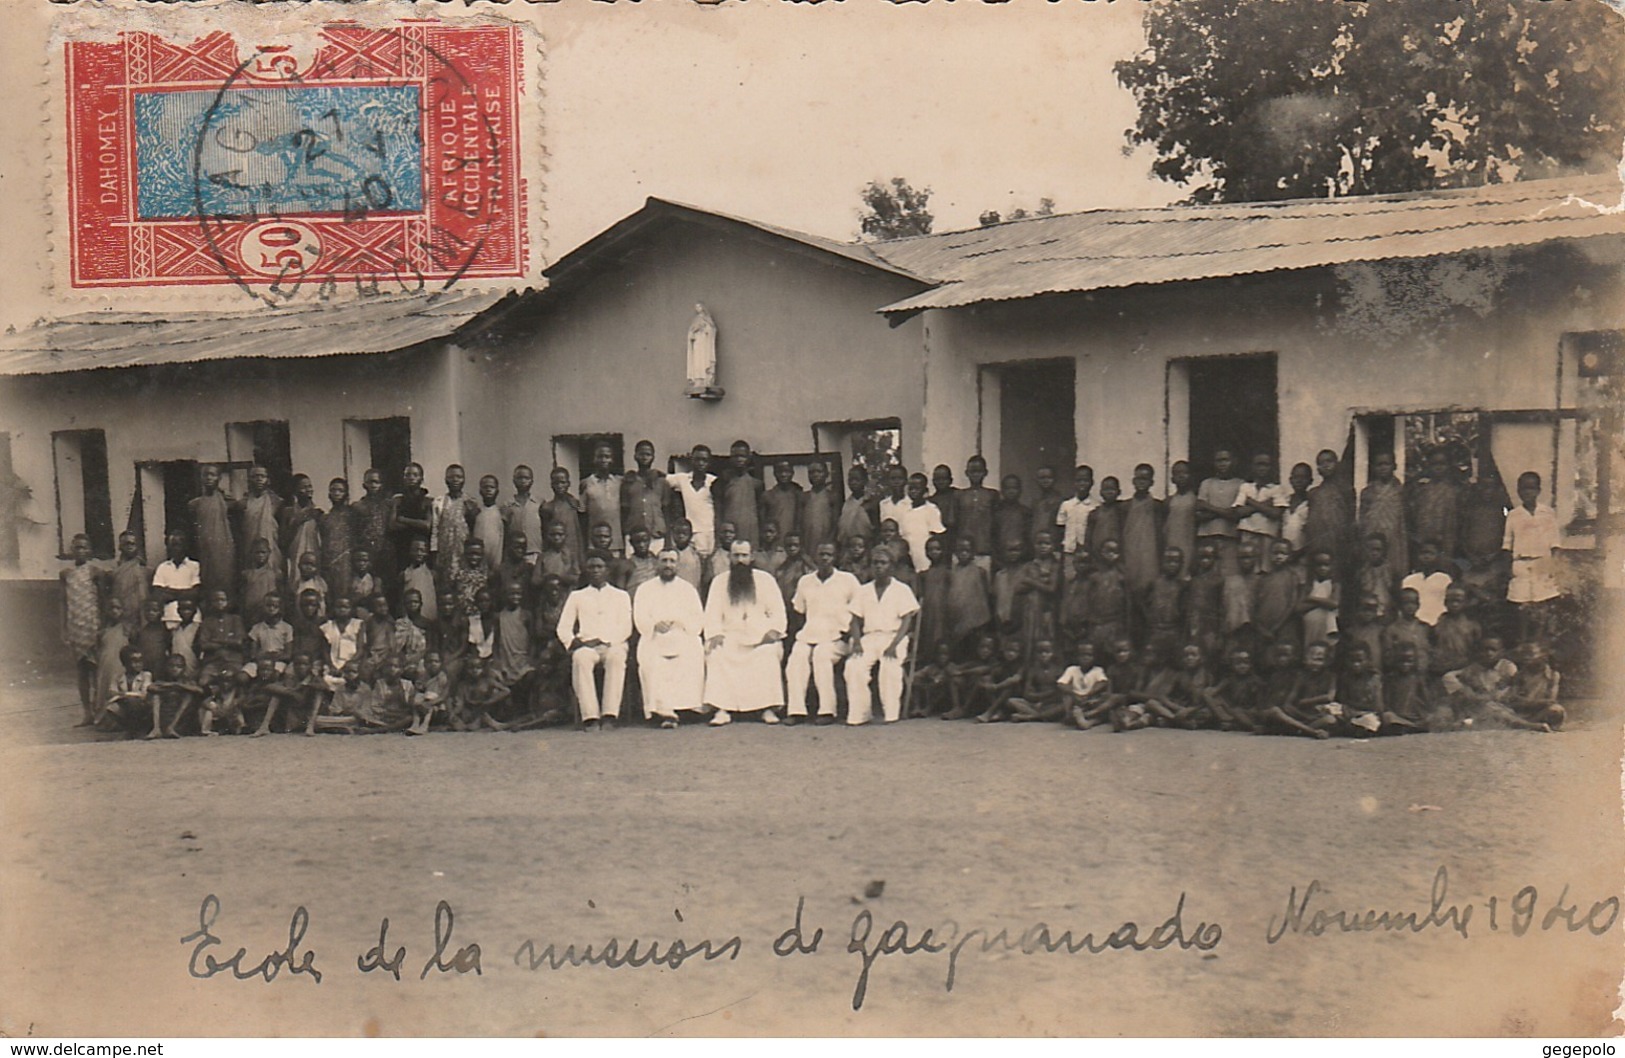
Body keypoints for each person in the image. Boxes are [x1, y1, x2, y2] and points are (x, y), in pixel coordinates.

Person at [703, 540, 788, 725]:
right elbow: (711, 614)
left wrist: (774, 631)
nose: (740, 560)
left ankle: (767, 707)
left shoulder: (765, 580)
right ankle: (722, 708)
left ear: (752, 557)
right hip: (730, 637)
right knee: (717, 652)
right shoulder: (719, 582)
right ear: (729, 557)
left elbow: (778, 612)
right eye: (736, 555)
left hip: (760, 638)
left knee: (768, 653)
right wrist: (715, 633)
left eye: (744, 555)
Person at [556, 551, 633, 730]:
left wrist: (608, 641)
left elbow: (626, 627)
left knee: (616, 658)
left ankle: (609, 714)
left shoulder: (621, 596)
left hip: (613, 644)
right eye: (591, 567)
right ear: (586, 570)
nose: (595, 570)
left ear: (607, 570)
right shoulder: (577, 596)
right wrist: (578, 643)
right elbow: (563, 628)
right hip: (587, 645)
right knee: (580, 658)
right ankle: (590, 716)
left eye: (599, 567)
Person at [843, 548, 920, 725]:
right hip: (869, 638)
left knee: (889, 666)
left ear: (891, 567)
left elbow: (907, 620)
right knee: (853, 666)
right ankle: (860, 713)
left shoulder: (901, 589)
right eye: (875, 563)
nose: (879, 566)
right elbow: (855, 620)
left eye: (883, 563)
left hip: (894, 636)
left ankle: (891, 713)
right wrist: (856, 642)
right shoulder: (863, 590)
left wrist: (894, 644)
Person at [786, 541, 859, 725]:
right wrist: (805, 631)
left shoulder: (847, 580)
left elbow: (859, 611)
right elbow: (799, 612)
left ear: (835, 557)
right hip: (810, 635)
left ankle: (827, 711)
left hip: (838, 637)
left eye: (829, 555)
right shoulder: (806, 581)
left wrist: (849, 634)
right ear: (815, 556)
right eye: (821, 554)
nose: (825, 558)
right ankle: (796, 711)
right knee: (796, 658)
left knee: (821, 656)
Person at [633, 549, 707, 728]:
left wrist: (681, 623)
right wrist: (654, 625)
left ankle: (687, 707)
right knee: (654, 660)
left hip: (682, 635)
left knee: (694, 650)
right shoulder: (645, 588)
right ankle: (664, 710)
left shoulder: (687, 589)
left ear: (677, 565)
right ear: (657, 563)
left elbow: (697, 618)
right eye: (664, 561)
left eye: (672, 561)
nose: (668, 565)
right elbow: (639, 616)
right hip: (655, 636)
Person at [1503, 470, 1561, 646]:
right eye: (1523, 489)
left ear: (1538, 490)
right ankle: (1523, 640)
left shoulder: (1547, 513)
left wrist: (1553, 566)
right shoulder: (1513, 515)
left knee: (1541, 603)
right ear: (1518, 491)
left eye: (1531, 488)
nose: (1527, 492)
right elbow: (1507, 543)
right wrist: (1509, 567)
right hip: (1521, 563)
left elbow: (1555, 542)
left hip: (1542, 562)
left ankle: (1539, 641)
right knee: (1522, 604)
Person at [60, 533, 103, 725]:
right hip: (76, 626)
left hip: (93, 624)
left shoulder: (95, 572)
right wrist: (64, 628)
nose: (81, 551)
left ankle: (98, 709)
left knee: (97, 669)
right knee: (82, 671)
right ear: (72, 551)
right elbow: (63, 602)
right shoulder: (66, 574)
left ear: (90, 551)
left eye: (85, 547)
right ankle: (87, 712)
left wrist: (102, 625)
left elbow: (102, 599)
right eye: (77, 547)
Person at [1358, 452, 1409, 590]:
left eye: (1386, 464)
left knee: (1392, 580)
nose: (1383, 468)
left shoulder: (1401, 491)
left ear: (1394, 466)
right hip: (1371, 540)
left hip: (1394, 541)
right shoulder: (1367, 492)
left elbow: (1404, 521)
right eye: (1379, 464)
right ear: (1373, 467)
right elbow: (1362, 520)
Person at [1305, 448, 1357, 580]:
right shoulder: (1314, 493)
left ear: (1337, 464)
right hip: (1317, 540)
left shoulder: (1345, 489)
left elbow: (1351, 517)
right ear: (1317, 468)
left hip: (1338, 541)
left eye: (1329, 461)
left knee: (1336, 576)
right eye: (1321, 463)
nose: (1325, 465)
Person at [189, 464, 237, 603]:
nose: (209, 478)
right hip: (204, 552)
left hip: (224, 552)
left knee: (226, 584)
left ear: (219, 478)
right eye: (205, 475)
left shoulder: (228, 502)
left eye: (213, 475)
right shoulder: (195, 504)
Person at [1234, 453, 1288, 572]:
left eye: (1266, 465)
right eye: (1259, 464)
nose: (1262, 468)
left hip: (1267, 535)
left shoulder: (1276, 489)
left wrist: (1251, 502)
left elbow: (1276, 514)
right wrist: (1265, 505)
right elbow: (1238, 512)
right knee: (1248, 568)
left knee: (1265, 569)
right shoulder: (1245, 487)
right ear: (1252, 467)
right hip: (1247, 533)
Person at [1407, 448, 1463, 561]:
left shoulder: (1456, 490)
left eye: (1442, 464)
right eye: (1434, 464)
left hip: (1447, 541)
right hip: (1423, 540)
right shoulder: (1421, 490)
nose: (1438, 467)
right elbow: (1413, 515)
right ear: (1428, 465)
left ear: (1448, 465)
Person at [1195, 450, 1245, 576]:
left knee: (1229, 575)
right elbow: (1199, 514)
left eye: (1226, 460)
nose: (1222, 464)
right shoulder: (1206, 483)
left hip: (1231, 538)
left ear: (1234, 462)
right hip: (1207, 537)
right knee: (1208, 575)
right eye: (1219, 460)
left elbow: (1236, 515)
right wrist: (1225, 512)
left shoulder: (1241, 484)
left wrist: (1210, 508)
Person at [430, 464, 477, 598]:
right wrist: (434, 554)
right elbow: (435, 529)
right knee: (446, 590)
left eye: (459, 477)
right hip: (445, 553)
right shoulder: (439, 502)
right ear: (446, 480)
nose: (455, 480)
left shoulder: (470, 502)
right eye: (451, 477)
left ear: (464, 480)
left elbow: (474, 530)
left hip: (464, 552)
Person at [1120, 465, 1165, 596]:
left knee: (1149, 592)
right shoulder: (1125, 506)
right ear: (1133, 481)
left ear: (1151, 482)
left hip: (1150, 556)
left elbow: (1161, 534)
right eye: (1138, 478)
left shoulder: (1157, 506)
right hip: (1130, 554)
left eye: (1145, 479)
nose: (1141, 482)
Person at [235, 466, 284, 584]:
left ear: (268, 480)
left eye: (262, 476)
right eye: (255, 476)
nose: (259, 479)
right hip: (249, 549)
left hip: (271, 549)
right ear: (249, 480)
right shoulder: (243, 504)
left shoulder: (276, 502)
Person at [944, 535, 992, 654]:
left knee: (974, 650)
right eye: (960, 551)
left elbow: (986, 595)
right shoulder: (951, 572)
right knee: (958, 651)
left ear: (973, 552)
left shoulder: (980, 572)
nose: (964, 554)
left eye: (967, 551)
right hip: (957, 620)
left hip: (976, 621)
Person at [1141, 547, 1188, 668]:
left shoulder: (1183, 586)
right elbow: (1142, 604)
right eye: (1168, 560)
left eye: (1176, 561)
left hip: (1174, 633)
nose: (1172, 564)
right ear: (1162, 562)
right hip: (1155, 632)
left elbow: (1185, 612)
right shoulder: (1154, 584)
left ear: (1181, 564)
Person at [354, 469, 397, 597]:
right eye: (370, 482)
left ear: (381, 485)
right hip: (367, 556)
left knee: (387, 591)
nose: (373, 485)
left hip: (386, 555)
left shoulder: (388, 505)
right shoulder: (358, 507)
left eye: (377, 482)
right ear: (364, 484)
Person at [1252, 539, 1301, 649]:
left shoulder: (1292, 577)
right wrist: (1261, 628)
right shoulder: (1263, 579)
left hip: (1283, 626)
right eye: (1275, 553)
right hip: (1263, 628)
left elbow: (1292, 604)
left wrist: (1276, 627)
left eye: (1283, 553)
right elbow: (1255, 605)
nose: (1279, 556)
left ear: (1290, 556)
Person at [622, 440, 670, 554]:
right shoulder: (628, 482)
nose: (644, 457)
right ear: (635, 456)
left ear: (653, 457)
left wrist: (668, 539)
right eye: (641, 454)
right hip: (634, 537)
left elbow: (666, 510)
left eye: (648, 454)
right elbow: (624, 511)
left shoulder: (662, 482)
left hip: (656, 536)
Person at [894, 472, 947, 575]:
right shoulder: (902, 508)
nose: (913, 491)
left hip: (924, 557)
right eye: (911, 488)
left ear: (925, 490)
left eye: (917, 488)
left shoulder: (931, 510)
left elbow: (937, 537)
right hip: (906, 558)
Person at [671, 445, 719, 557]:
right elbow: (660, 478)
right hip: (689, 534)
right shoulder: (682, 479)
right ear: (691, 460)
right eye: (697, 459)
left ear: (709, 463)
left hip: (709, 534)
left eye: (704, 460)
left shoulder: (714, 481)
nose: (701, 463)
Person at [717, 440, 767, 549]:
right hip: (730, 533)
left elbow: (761, 512)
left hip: (751, 533)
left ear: (748, 457)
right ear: (730, 458)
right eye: (735, 456)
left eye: (742, 456)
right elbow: (719, 510)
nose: (739, 459)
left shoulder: (757, 484)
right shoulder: (724, 482)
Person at [952, 456, 999, 570]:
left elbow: (996, 524)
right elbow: (954, 523)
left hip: (984, 551)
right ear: (967, 473)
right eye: (972, 471)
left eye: (979, 471)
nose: (975, 475)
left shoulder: (992, 495)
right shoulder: (959, 495)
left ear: (985, 473)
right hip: (962, 552)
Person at [1084, 538, 1130, 655]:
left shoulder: (1122, 576)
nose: (1111, 555)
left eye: (1115, 552)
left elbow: (1127, 604)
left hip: (1115, 624)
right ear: (1100, 552)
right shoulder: (1093, 577)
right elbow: (1087, 602)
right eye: (1107, 551)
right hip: (1096, 625)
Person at [281, 474, 324, 595]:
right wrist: (296, 522)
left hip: (313, 554)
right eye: (304, 487)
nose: (308, 490)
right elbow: (283, 541)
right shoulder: (288, 512)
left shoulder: (317, 513)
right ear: (295, 491)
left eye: (310, 486)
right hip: (296, 556)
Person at [1006, 639, 1068, 723]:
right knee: (1012, 701)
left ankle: (1032, 717)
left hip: (1051, 704)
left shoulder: (1058, 670)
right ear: (1035, 654)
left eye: (1047, 652)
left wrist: (1045, 699)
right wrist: (1045, 696)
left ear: (1052, 653)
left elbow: (1060, 693)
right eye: (1040, 652)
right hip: (1035, 704)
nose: (1043, 655)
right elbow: (1027, 694)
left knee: (1065, 705)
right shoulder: (1033, 670)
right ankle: (1041, 716)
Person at [1506, 642, 1565, 730]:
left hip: (1541, 712)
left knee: (1557, 710)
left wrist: (1528, 702)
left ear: (1543, 655)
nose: (1526, 657)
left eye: (1530, 654)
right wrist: (1537, 702)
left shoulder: (1552, 675)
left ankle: (1526, 724)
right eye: (1523, 654)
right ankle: (1529, 725)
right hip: (1521, 713)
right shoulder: (1519, 675)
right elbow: (1514, 699)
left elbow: (1551, 701)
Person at [91, 598, 131, 727]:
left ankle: (118, 720)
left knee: (118, 690)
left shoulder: (128, 629)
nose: (115, 611)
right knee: (103, 689)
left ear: (123, 611)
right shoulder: (102, 631)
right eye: (112, 608)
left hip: (120, 666)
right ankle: (102, 719)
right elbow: (98, 649)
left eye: (118, 608)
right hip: (105, 666)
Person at [391, 463, 434, 579]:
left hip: (421, 547)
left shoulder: (427, 501)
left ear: (421, 478)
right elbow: (392, 525)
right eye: (407, 475)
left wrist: (403, 519)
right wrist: (417, 523)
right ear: (403, 478)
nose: (411, 477)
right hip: (402, 546)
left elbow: (427, 525)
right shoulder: (397, 500)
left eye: (415, 475)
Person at [319, 477, 358, 604]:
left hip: (347, 562)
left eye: (340, 490)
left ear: (346, 493)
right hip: (329, 562)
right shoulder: (325, 518)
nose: (336, 493)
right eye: (333, 490)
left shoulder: (352, 514)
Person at [1060, 640, 1113, 730]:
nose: (1085, 658)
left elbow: (1103, 682)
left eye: (1089, 655)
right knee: (1066, 696)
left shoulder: (1097, 670)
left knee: (1105, 702)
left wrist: (1089, 694)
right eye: (1082, 655)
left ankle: (1085, 720)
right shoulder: (1072, 669)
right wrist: (1074, 694)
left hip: (1091, 700)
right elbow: (1061, 684)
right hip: (1076, 700)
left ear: (1095, 657)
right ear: (1077, 656)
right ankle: (1072, 715)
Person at [580, 446, 624, 553]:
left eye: (607, 457)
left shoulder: (619, 482)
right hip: (594, 543)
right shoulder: (586, 483)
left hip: (616, 542)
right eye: (600, 457)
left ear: (612, 460)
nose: (604, 460)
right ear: (594, 459)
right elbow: (582, 514)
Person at [1401, 539, 1454, 627]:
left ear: (1438, 556)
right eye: (1423, 553)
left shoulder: (1445, 579)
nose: (1426, 557)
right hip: (1416, 625)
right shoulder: (1409, 580)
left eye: (1431, 553)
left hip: (1438, 623)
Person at [1296, 550, 1341, 653]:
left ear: (1332, 566)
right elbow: (1299, 608)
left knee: (1326, 650)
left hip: (1326, 625)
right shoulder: (1308, 585)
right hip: (1310, 626)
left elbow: (1334, 604)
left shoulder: (1334, 585)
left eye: (1326, 565)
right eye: (1319, 565)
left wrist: (1312, 599)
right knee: (1310, 649)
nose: (1322, 568)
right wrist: (1323, 602)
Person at [1382, 587, 1433, 676]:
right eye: (1406, 603)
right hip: (1401, 676)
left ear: (1418, 605)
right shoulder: (1391, 630)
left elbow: (1432, 651)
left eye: (1413, 603)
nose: (1410, 606)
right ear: (1400, 606)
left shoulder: (1425, 628)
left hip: (1425, 675)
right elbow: (1388, 656)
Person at [541, 466, 586, 567]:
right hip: (558, 552)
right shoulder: (548, 507)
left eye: (563, 482)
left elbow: (581, 531)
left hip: (575, 550)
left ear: (568, 484)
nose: (560, 486)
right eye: (556, 483)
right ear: (551, 485)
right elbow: (545, 534)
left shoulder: (575, 504)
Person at [105, 644, 154, 733]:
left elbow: (144, 694)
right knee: (112, 707)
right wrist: (122, 696)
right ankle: (128, 729)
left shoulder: (146, 675)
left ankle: (139, 729)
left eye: (140, 661)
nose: (138, 664)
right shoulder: (118, 677)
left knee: (133, 702)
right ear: (125, 663)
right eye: (134, 661)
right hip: (126, 705)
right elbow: (112, 692)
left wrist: (125, 695)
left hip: (143, 706)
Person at [798, 460, 841, 558]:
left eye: (819, 471)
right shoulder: (804, 497)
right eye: (811, 472)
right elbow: (799, 523)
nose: (815, 475)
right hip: (808, 541)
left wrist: (829, 542)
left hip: (826, 541)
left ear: (826, 474)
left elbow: (836, 523)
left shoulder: (832, 496)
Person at [108, 530, 150, 629]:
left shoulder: (145, 569)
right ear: (120, 546)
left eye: (133, 543)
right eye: (126, 544)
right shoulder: (113, 571)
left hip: (141, 614)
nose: (130, 546)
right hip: (121, 614)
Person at [1163, 462, 1197, 579]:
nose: (1181, 476)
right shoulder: (1169, 501)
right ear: (1172, 479)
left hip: (1189, 543)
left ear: (1191, 476)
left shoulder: (1196, 500)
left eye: (1185, 473)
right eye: (1177, 473)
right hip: (1171, 542)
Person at [1056, 465, 1098, 560]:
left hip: (1088, 553)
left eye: (1086, 481)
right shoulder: (1066, 505)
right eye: (1079, 481)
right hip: (1069, 551)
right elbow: (1060, 529)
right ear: (1074, 483)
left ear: (1092, 483)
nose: (1082, 484)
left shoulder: (1096, 506)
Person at [239, 538, 280, 631]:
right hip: (251, 613)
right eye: (257, 552)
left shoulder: (275, 574)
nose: (260, 555)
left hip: (269, 612)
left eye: (263, 552)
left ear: (269, 553)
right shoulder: (246, 574)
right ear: (252, 554)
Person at [993, 473, 1033, 565]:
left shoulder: (1025, 512)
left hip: (1021, 558)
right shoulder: (996, 512)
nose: (1011, 491)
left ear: (1020, 490)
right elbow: (993, 536)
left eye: (1015, 488)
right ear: (1002, 491)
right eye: (1008, 488)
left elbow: (1028, 536)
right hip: (1000, 558)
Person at [837, 465, 877, 553]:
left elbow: (876, 530)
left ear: (865, 481)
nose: (853, 483)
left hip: (865, 550)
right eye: (851, 480)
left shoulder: (871, 503)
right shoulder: (845, 504)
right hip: (847, 550)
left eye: (857, 480)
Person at [1084, 475, 1124, 561]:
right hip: (1098, 555)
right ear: (1101, 492)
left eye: (1112, 489)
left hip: (1117, 555)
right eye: (1106, 489)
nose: (1109, 492)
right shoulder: (1094, 513)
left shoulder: (1123, 511)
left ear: (1119, 492)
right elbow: (1088, 537)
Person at [472, 474, 507, 573]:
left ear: (497, 491)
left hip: (496, 560)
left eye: (492, 487)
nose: (488, 490)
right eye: (485, 487)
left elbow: (502, 539)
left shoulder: (501, 513)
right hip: (479, 561)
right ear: (480, 491)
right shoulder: (476, 513)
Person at [764, 459, 804, 544]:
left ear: (792, 473)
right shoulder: (767, 495)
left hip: (794, 542)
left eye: (787, 471)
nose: (783, 475)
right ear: (774, 473)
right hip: (774, 542)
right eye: (780, 472)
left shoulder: (799, 494)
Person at [399, 536, 438, 622]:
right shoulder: (405, 574)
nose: (419, 553)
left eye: (422, 550)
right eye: (415, 550)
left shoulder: (432, 574)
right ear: (409, 552)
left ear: (427, 553)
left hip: (428, 615)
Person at [1281, 462, 1313, 559]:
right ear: (1290, 480)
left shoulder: (1311, 503)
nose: (1299, 481)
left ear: (1310, 481)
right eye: (1296, 477)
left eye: (1303, 477)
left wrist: (1300, 553)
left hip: (1302, 554)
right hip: (1283, 554)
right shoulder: (1284, 501)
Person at [667, 519, 705, 591]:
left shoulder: (696, 555)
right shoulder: (669, 554)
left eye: (684, 533)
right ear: (672, 534)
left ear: (690, 535)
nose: (681, 536)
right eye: (678, 533)